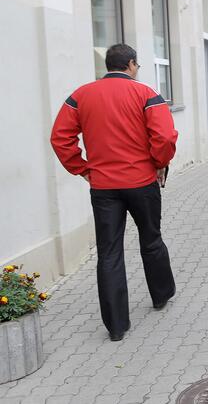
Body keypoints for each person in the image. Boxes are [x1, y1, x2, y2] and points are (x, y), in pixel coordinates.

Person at [50, 44, 178, 342]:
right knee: (151, 238)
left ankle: (117, 326)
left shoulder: (80, 96)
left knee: (109, 252)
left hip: (103, 186)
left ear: (109, 65)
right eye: (137, 65)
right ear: (131, 64)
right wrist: (159, 164)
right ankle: (160, 295)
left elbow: (60, 138)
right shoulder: (146, 94)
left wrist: (81, 168)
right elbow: (164, 136)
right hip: (142, 182)